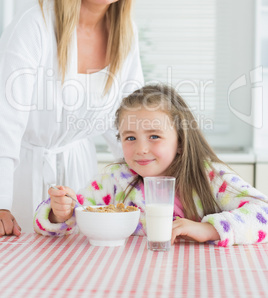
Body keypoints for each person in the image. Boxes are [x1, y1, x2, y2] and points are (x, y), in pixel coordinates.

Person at [0, 0, 144, 235]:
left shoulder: (125, 32)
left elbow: (129, 119)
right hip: (21, 176)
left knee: (78, 272)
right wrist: (1, 202)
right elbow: (5, 120)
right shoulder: (35, 22)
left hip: (80, 177)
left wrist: (148, 176)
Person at [34, 84, 268, 246]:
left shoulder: (209, 175)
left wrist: (209, 229)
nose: (141, 149)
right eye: (130, 138)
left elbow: (264, 214)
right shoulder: (114, 179)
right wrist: (58, 213)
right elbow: (76, 214)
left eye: (154, 136)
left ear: (180, 141)